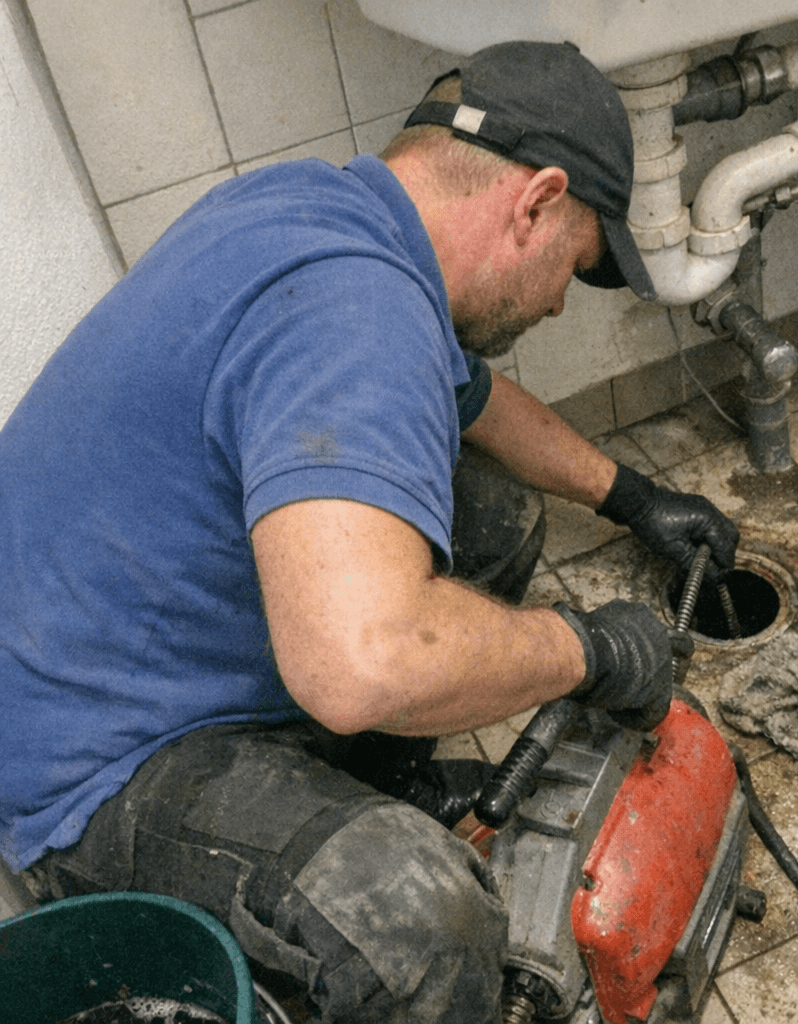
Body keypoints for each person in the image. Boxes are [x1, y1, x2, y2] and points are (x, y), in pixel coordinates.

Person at [0, 40, 738, 1022]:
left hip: (94, 635)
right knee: (421, 918)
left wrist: (631, 496)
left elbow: (479, 405)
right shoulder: (361, 316)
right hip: (89, 766)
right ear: (536, 202)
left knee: (492, 521)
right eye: (575, 263)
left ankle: (360, 777)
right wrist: (587, 651)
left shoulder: (316, 210)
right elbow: (363, 665)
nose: (561, 299)